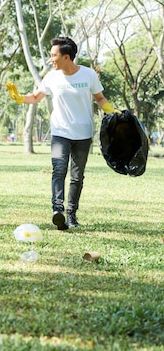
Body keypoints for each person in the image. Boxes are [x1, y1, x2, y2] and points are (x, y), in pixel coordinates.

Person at [6, 36, 120, 230]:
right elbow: (35, 97)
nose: (51, 59)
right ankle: (57, 210)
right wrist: (19, 98)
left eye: (54, 55)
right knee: (59, 170)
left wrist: (111, 110)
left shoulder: (88, 75)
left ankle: (71, 214)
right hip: (60, 132)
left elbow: (99, 98)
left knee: (77, 176)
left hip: (83, 134)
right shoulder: (51, 77)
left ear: (66, 57)